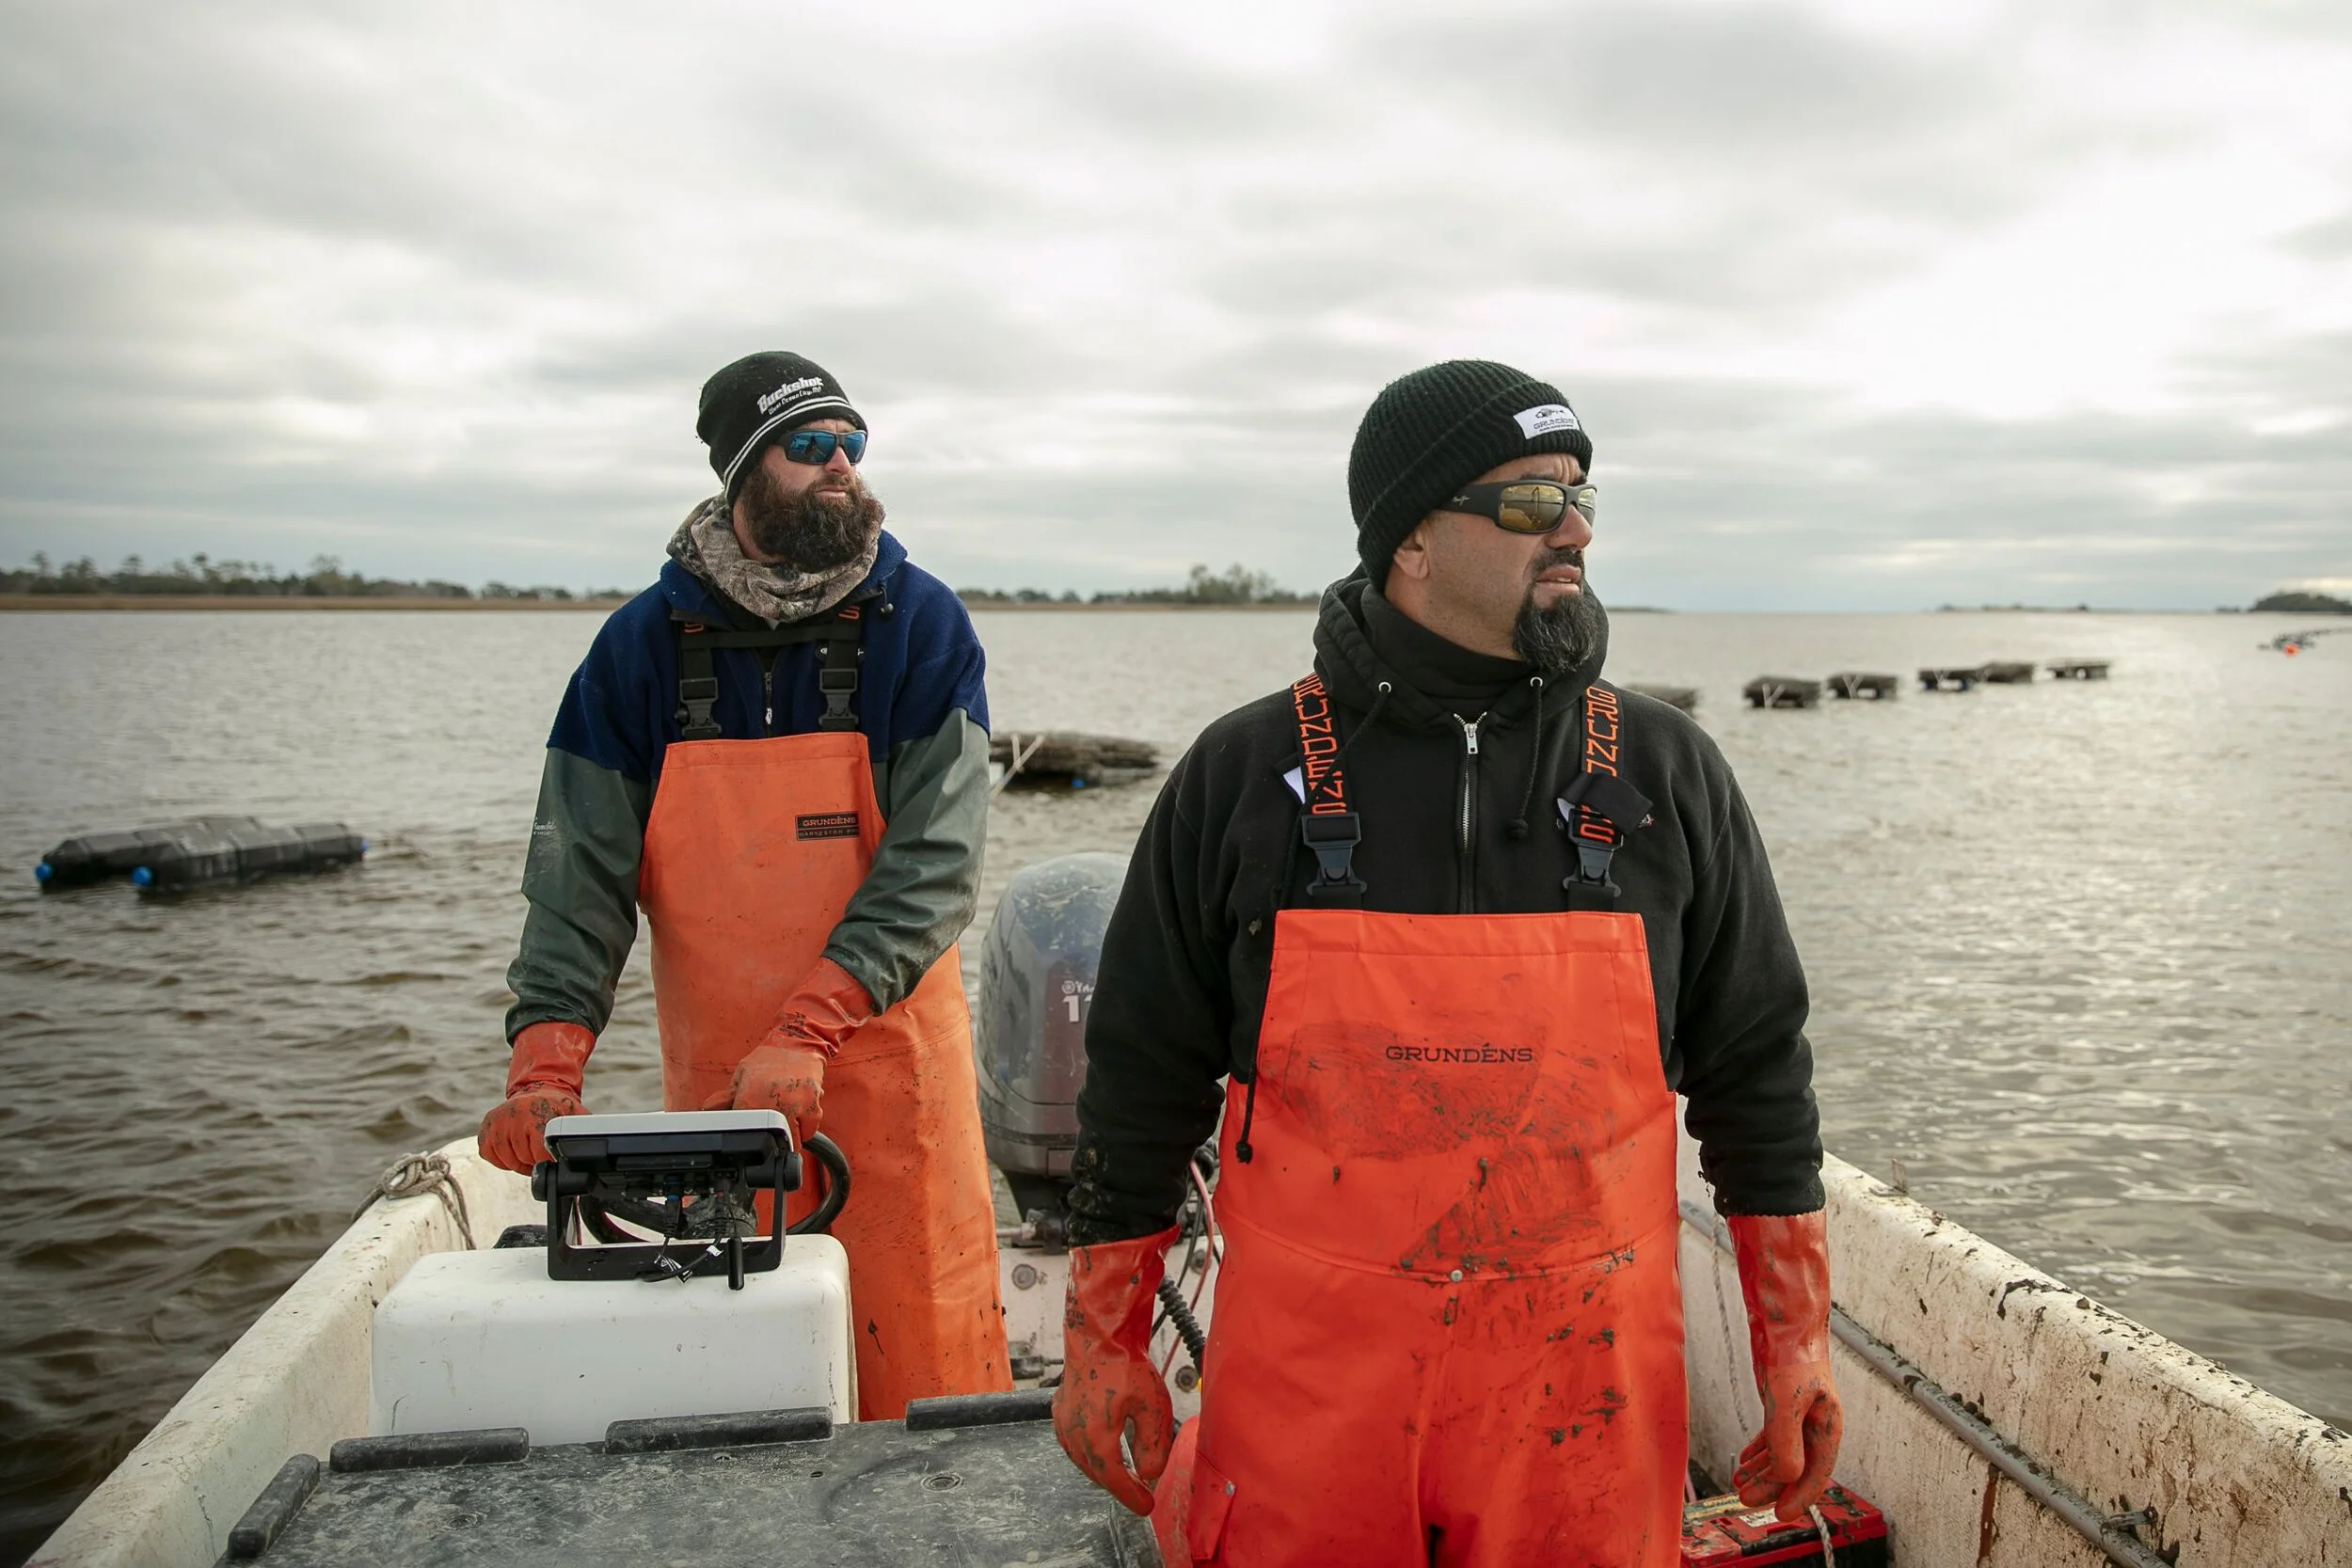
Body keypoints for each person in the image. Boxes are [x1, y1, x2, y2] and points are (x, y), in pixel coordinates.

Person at [1051, 360, 1843, 1566]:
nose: (1573, 527)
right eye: (1529, 502)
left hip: (1579, 1418)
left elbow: (1758, 1076)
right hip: (1310, 1412)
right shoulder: (1240, 774)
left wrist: (1793, 1346)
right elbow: (1140, 1074)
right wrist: (1103, 1341)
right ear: (1409, 539)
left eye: (1582, 495)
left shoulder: (1668, 774)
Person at [477, 350, 1010, 1418]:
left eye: (851, 446)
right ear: (742, 474)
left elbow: (937, 861)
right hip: (724, 1094)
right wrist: (547, 1055)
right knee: (754, 1370)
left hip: (893, 1072)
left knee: (926, 1381)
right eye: (808, 447)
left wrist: (811, 1026)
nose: (841, 469)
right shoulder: (637, 650)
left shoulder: (924, 626)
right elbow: (577, 870)